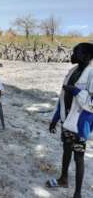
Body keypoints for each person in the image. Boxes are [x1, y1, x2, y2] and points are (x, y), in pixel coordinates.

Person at [46, 43, 93, 198]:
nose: (72, 55)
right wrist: (55, 118)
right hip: (67, 120)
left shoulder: (92, 73)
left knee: (78, 156)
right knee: (66, 150)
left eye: (75, 52)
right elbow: (62, 98)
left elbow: (91, 102)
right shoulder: (72, 71)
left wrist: (76, 91)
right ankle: (63, 178)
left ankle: (77, 193)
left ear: (86, 55)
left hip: (80, 123)